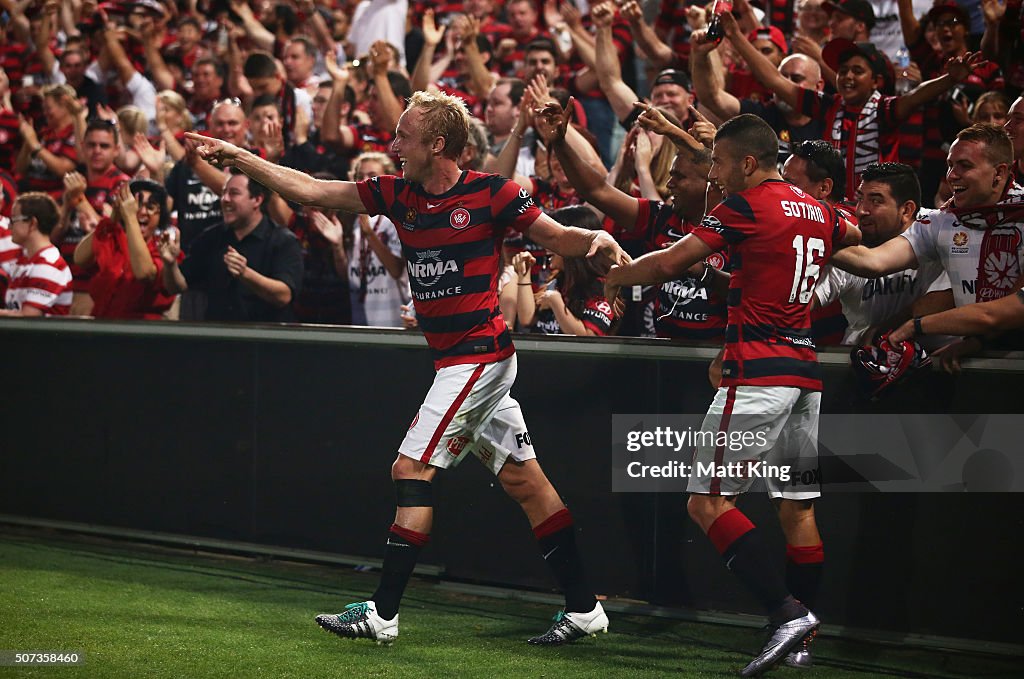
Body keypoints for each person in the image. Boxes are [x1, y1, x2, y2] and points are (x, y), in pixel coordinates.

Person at [184, 89, 626, 645]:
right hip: (457, 360)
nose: (393, 145)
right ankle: (585, 609)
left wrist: (596, 239)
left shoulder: (494, 193)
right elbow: (313, 189)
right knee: (526, 483)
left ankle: (382, 613)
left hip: (479, 357)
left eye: (403, 137)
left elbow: (558, 235)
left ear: (437, 143)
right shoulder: (397, 193)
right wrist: (243, 156)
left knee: (409, 470)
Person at [598, 113, 859, 675]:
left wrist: (618, 277)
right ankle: (802, 642)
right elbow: (853, 233)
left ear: (746, 162)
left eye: (716, 162)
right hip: (805, 373)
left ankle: (785, 614)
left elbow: (670, 262)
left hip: (759, 372)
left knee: (706, 501)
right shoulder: (816, 208)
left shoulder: (744, 206)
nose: (712, 174)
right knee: (796, 510)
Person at [831, 124, 1023, 361]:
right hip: (978, 360)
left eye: (965, 166)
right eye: (951, 164)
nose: (952, 175)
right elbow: (873, 262)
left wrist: (917, 326)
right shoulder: (942, 222)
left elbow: (1005, 313)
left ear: (1000, 173)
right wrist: (813, 228)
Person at [814, 161, 952, 345]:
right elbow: (806, 301)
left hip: (939, 359)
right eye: (860, 199)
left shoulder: (937, 227)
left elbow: (946, 298)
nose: (861, 210)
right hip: (862, 356)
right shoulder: (850, 245)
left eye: (876, 201)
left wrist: (885, 330)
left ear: (906, 210)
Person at [159, 171, 304, 323]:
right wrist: (170, 265)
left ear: (257, 200)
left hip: (266, 340)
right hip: (219, 340)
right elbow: (177, 287)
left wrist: (245, 273)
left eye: (234, 193)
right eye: (223, 193)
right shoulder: (210, 238)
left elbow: (283, 296)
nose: (225, 199)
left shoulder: (284, 241)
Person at [73, 179, 177, 320]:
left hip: (141, 331)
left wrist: (130, 217)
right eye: (136, 206)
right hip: (102, 326)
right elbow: (79, 259)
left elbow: (144, 273)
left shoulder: (164, 247)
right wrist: (114, 217)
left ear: (161, 215)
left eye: (151, 207)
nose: (142, 212)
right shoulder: (114, 238)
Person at [515, 205, 617, 336]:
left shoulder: (603, 289)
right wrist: (524, 274)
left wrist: (555, 302)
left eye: (555, 239)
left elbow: (588, 338)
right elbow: (527, 319)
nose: (547, 245)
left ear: (578, 244)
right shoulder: (557, 280)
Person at [0, 192, 72, 317]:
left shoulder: (49, 264)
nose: (9, 226)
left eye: (13, 219)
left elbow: (29, 318)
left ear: (32, 223)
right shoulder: (23, 262)